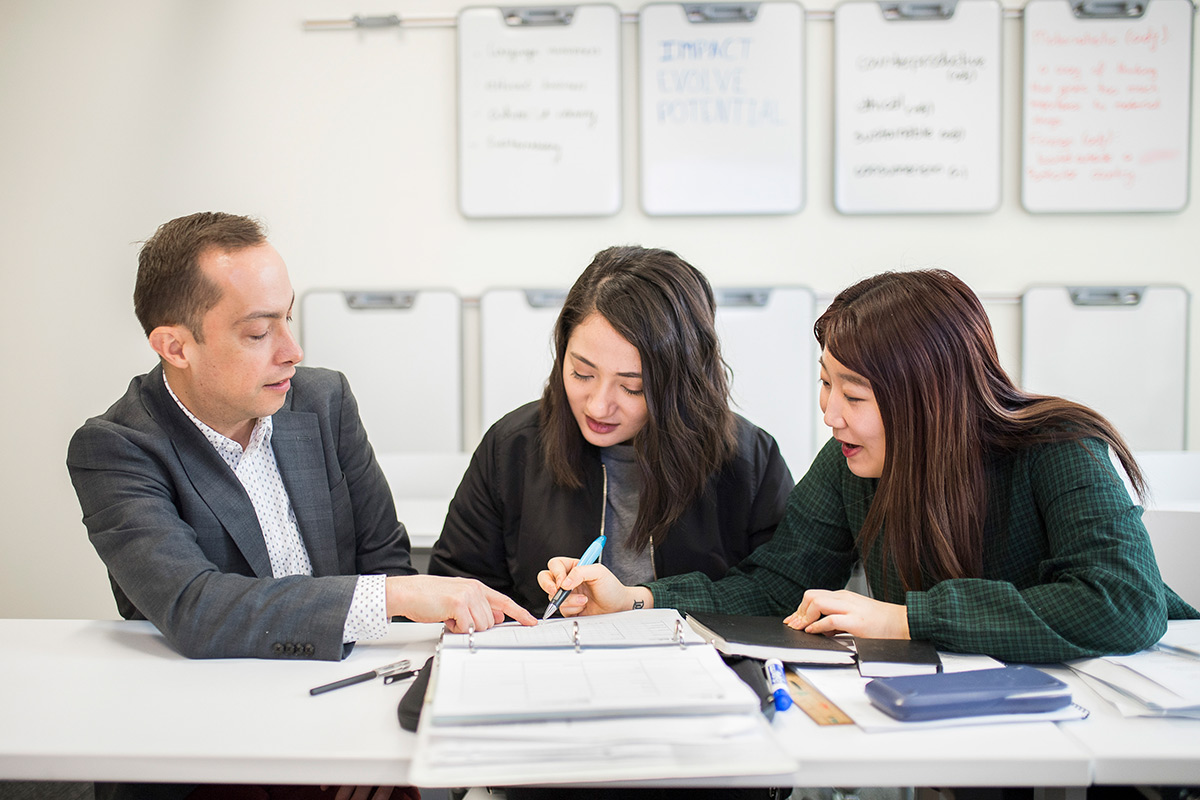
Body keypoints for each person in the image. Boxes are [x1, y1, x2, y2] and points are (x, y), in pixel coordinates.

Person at [539, 268, 1199, 663]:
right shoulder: (851, 463)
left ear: (928, 401)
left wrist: (908, 619)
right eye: (826, 385)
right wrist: (640, 599)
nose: (830, 413)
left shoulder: (1060, 448)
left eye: (854, 396)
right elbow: (775, 587)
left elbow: (1123, 604)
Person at [68, 211, 535, 666]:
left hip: (349, 676)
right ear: (175, 347)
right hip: (211, 697)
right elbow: (195, 607)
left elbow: (383, 558)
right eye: (257, 332)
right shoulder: (115, 449)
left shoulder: (323, 400)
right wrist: (395, 596)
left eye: (287, 318)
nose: (293, 352)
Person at [429, 245, 795, 617]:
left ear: (683, 384)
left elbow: (780, 592)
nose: (598, 406)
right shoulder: (512, 448)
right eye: (582, 373)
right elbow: (455, 590)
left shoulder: (749, 460)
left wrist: (641, 600)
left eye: (633, 387)